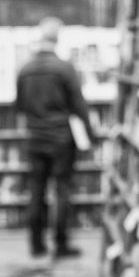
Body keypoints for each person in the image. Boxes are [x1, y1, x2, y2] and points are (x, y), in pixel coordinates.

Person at [15, 17, 94, 258]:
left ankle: (36, 245)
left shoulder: (24, 69)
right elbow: (79, 105)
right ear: (57, 38)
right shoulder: (64, 68)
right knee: (61, 190)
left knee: (36, 191)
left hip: (35, 139)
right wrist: (90, 135)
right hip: (61, 140)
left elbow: (18, 106)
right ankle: (60, 245)